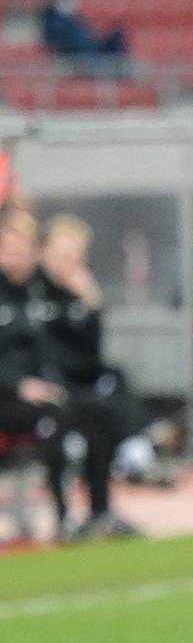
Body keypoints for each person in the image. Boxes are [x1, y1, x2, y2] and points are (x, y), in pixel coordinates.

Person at [37, 213, 141, 538]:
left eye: (75, 257)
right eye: (62, 255)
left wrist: (92, 306)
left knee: (111, 396)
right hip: (43, 388)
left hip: (75, 385)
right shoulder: (34, 292)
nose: (69, 263)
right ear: (44, 253)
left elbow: (90, 356)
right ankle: (65, 517)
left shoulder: (77, 297)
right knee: (85, 411)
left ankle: (101, 510)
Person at [0, 207, 72, 534]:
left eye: (23, 249)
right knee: (52, 418)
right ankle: (62, 511)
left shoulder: (42, 291)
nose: (17, 256)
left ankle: (90, 511)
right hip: (7, 396)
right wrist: (19, 385)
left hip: (42, 392)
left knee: (93, 411)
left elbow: (61, 348)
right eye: (10, 248)